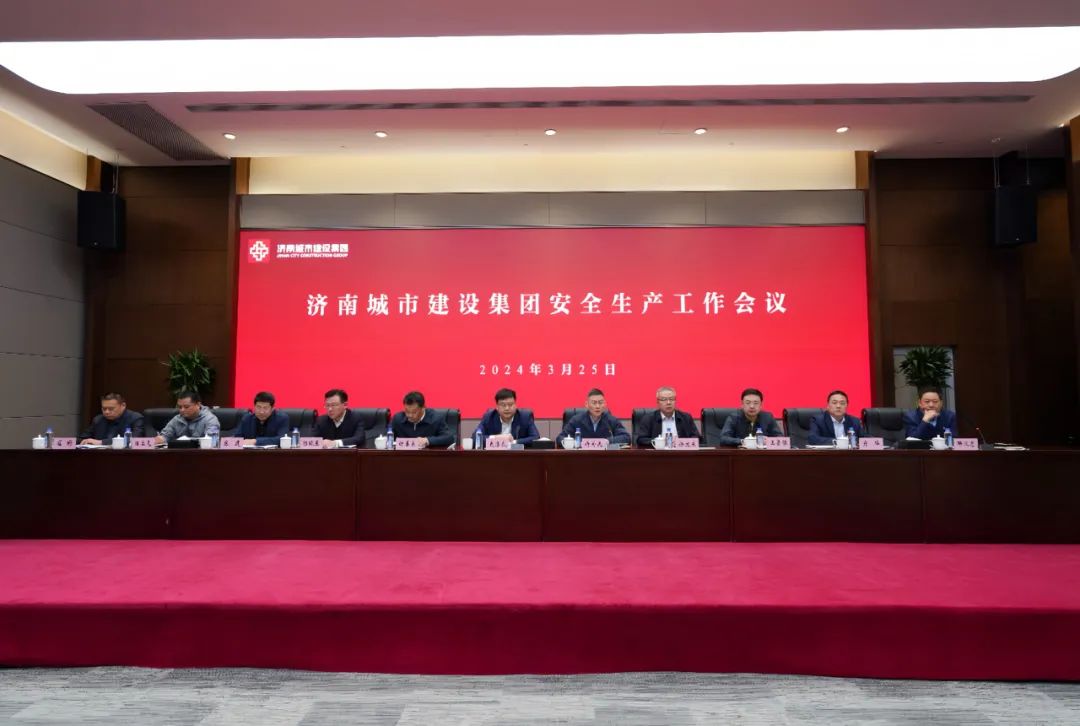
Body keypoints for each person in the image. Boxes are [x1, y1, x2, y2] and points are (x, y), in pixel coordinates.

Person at [557, 388, 630, 446]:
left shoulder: (611, 420)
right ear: (586, 404)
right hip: (581, 457)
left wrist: (608, 441)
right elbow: (560, 438)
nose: (597, 406)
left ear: (605, 404)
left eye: (600, 403)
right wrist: (575, 442)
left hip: (605, 457)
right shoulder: (576, 420)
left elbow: (626, 437)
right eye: (594, 403)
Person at [633, 386, 701, 448]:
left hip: (681, 454)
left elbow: (696, 437)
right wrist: (660, 442)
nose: (668, 402)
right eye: (664, 399)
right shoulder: (648, 419)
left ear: (675, 400)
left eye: (671, 399)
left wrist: (679, 443)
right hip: (657, 455)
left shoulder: (686, 418)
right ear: (658, 402)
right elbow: (641, 440)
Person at [473, 387, 540, 446]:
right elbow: (475, 438)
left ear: (515, 405)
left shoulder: (525, 417)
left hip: (517, 455)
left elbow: (535, 437)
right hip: (495, 455)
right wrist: (497, 438)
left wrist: (513, 442)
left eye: (510, 404)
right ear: (497, 407)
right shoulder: (489, 417)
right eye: (503, 405)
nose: (507, 408)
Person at [390, 391, 455, 448]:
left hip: (428, 456)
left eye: (414, 412)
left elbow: (449, 438)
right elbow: (387, 437)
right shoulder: (397, 419)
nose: (410, 415)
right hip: (403, 456)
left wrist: (427, 440)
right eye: (407, 411)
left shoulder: (436, 419)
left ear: (423, 407)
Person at [154, 390, 221, 444]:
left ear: (198, 405)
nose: (182, 410)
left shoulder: (210, 419)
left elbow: (213, 441)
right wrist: (158, 440)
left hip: (202, 454)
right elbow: (164, 436)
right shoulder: (176, 419)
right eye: (180, 407)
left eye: (186, 407)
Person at [79, 393, 146, 445]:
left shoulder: (135, 418)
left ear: (123, 406)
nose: (107, 412)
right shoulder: (98, 419)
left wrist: (101, 442)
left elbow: (135, 440)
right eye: (104, 409)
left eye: (111, 409)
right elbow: (82, 438)